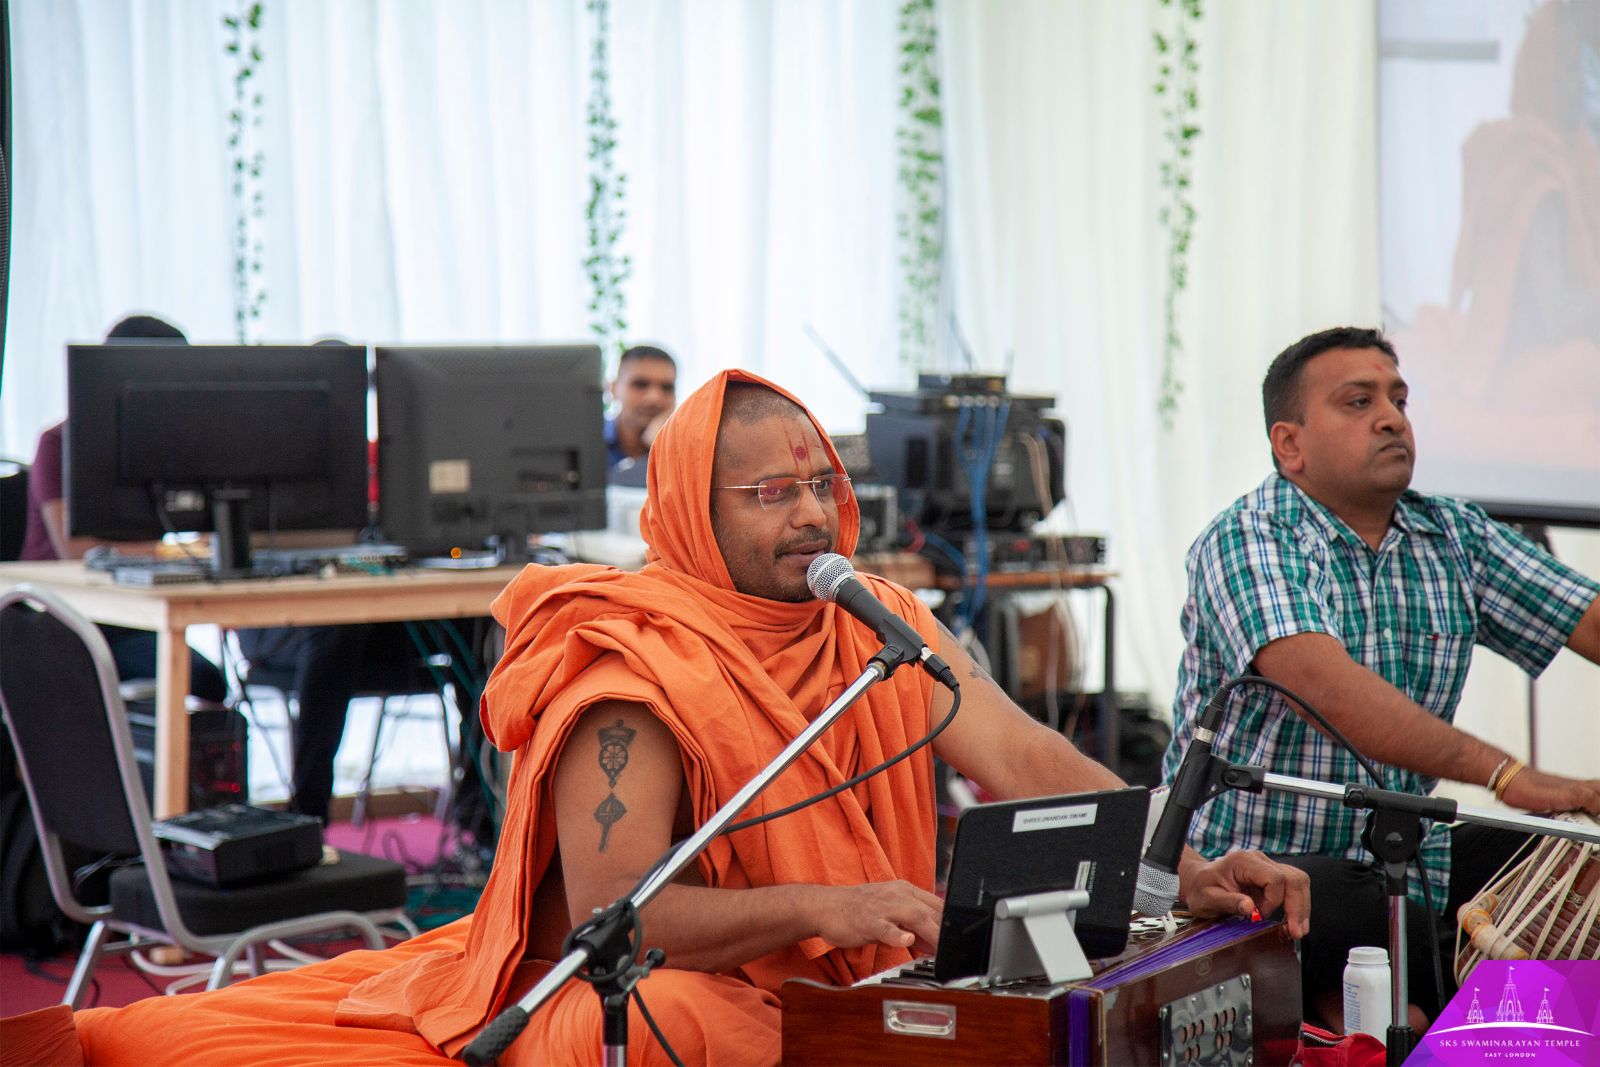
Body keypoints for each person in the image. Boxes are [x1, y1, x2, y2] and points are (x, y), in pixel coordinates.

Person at [59, 370, 1309, 1064]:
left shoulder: (869, 615)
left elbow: (1021, 753)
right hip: (643, 988)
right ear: (694, 511)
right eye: (774, 494)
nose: (814, 517)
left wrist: (1177, 866)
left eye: (823, 484)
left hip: (856, 968)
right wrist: (828, 905)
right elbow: (622, 911)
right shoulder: (631, 666)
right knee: (680, 1028)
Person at [1163, 326, 1600, 1030]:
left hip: (1400, 856)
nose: (1392, 416)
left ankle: (1497, 1040)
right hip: (1250, 875)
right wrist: (1505, 772)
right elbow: (1325, 687)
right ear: (1290, 445)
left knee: (1578, 861)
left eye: (1398, 398)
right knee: (1365, 907)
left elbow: (1591, 620)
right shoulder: (1248, 537)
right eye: (1358, 401)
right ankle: (1407, 1021)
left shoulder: (1453, 536)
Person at [20, 314, 226, 703]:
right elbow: (80, 552)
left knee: (208, 681)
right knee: (199, 679)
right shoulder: (59, 444)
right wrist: (174, 554)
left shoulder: (168, 448)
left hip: (136, 615)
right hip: (60, 619)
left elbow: (206, 533)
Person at [605, 344, 677, 471]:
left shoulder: (686, 451)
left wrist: (665, 448)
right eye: (640, 385)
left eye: (667, 388)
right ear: (613, 389)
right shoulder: (587, 444)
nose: (654, 398)